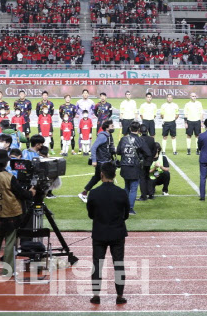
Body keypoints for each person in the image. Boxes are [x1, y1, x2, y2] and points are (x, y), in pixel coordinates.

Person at [0, 150, 35, 276]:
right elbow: (21, 194)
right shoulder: (9, 177)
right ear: (6, 162)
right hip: (12, 213)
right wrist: (31, 192)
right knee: (10, 243)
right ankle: (8, 270)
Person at [86, 162, 129, 305]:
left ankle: (96, 295)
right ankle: (120, 295)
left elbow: (91, 214)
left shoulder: (94, 193)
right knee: (118, 264)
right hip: (117, 233)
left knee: (97, 265)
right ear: (115, 175)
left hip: (99, 233)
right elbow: (126, 215)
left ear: (101, 174)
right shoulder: (122, 192)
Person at [116, 121, 151, 215]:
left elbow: (118, 151)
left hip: (124, 166)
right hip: (135, 167)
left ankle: (124, 207)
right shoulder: (140, 140)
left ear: (130, 129)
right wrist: (141, 157)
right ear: (139, 130)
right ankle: (130, 208)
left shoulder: (124, 139)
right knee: (134, 188)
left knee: (126, 187)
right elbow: (148, 153)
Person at [79, 120, 115, 203]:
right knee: (107, 178)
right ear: (106, 128)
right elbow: (93, 147)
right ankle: (108, 195)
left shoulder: (109, 135)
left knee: (97, 178)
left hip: (106, 160)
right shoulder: (102, 136)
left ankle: (84, 193)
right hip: (102, 162)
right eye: (112, 126)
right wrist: (94, 160)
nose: (113, 127)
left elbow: (108, 147)